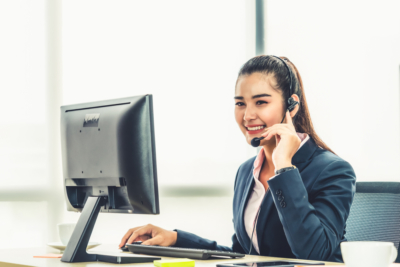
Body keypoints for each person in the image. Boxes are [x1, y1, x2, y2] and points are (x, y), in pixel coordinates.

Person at [118, 55, 356, 262]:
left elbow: (314, 253)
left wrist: (285, 168)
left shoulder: (333, 171)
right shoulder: (246, 172)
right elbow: (242, 255)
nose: (248, 115)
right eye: (240, 104)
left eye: (261, 102)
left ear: (291, 106)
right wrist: (176, 239)